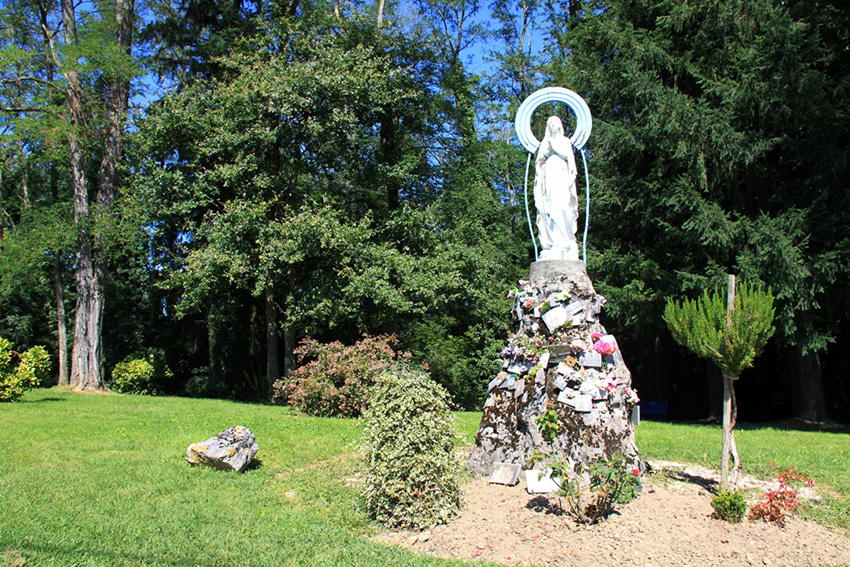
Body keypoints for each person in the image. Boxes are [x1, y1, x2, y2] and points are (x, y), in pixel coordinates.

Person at [533, 116, 579, 261]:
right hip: (548, 175)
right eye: (550, 123)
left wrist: (555, 149)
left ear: (560, 125)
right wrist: (546, 153)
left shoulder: (565, 141)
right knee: (548, 208)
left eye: (555, 122)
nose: (553, 125)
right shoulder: (545, 142)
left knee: (563, 206)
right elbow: (539, 161)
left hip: (561, 174)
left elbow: (570, 160)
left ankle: (566, 243)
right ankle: (553, 244)